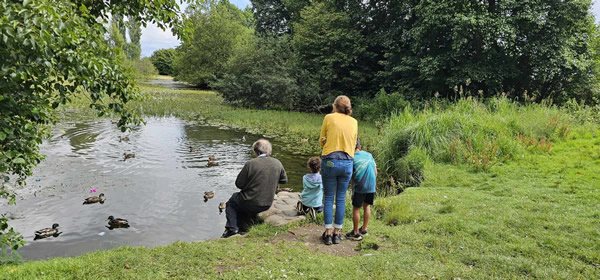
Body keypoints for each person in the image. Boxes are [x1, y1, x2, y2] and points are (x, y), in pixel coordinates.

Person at [222, 139, 288, 238]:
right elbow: (284, 180)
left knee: (232, 202)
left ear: (255, 151)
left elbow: (239, 184)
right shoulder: (277, 163)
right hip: (266, 203)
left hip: (249, 202)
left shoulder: (250, 164)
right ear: (269, 151)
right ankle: (243, 227)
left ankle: (232, 229)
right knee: (240, 203)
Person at [319, 95, 358, 245]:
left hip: (330, 161)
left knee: (328, 197)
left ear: (335, 106)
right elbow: (354, 143)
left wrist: (326, 145)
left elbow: (322, 139)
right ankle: (337, 233)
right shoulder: (354, 122)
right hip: (347, 163)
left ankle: (327, 234)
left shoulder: (329, 118)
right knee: (340, 198)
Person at [346, 138, 377, 241]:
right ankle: (364, 229)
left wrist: (352, 189)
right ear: (360, 147)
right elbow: (375, 172)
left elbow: (351, 176)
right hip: (371, 185)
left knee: (356, 208)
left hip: (360, 186)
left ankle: (355, 233)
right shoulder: (369, 155)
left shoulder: (351, 158)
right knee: (367, 206)